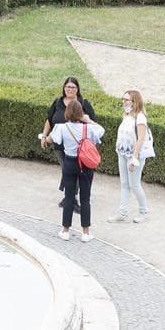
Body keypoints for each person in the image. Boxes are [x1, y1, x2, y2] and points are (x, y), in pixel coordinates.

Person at [39, 78, 96, 206]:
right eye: (68, 87)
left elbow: (93, 123)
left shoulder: (83, 103)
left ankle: (71, 198)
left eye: (73, 87)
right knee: (66, 170)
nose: (70, 89)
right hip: (59, 145)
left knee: (73, 171)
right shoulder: (57, 102)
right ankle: (70, 196)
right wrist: (44, 136)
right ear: (64, 88)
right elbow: (49, 120)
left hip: (77, 147)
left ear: (77, 89)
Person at [53, 102, 105, 242]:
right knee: (85, 198)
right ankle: (86, 233)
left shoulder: (62, 128)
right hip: (85, 164)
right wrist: (88, 120)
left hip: (69, 163)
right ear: (81, 113)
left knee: (69, 196)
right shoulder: (88, 128)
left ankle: (65, 230)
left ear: (67, 113)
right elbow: (101, 131)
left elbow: (55, 139)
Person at [113, 89, 153, 224]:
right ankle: (122, 212)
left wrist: (134, 157)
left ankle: (144, 211)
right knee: (124, 184)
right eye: (123, 99)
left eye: (126, 100)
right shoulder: (127, 115)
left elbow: (141, 138)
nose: (123, 102)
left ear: (134, 101)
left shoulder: (140, 117)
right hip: (122, 153)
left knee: (134, 185)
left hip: (133, 156)